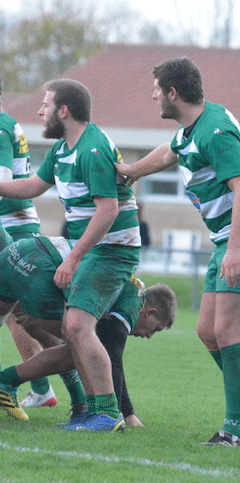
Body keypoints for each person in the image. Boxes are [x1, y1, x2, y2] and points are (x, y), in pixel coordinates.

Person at [116, 57, 240, 446]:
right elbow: (168, 153)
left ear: (173, 93)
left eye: (158, 89)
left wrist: (236, 249)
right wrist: (131, 171)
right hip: (227, 238)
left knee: (228, 330)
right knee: (207, 331)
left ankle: (234, 430)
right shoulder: (193, 127)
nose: (154, 95)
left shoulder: (215, 131)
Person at [0, 79, 141, 432]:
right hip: (94, 249)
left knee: (77, 326)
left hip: (112, 251)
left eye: (45, 105)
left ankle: (107, 414)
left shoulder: (92, 149)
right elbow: (32, 186)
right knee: (71, 327)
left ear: (64, 111)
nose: (39, 111)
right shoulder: (64, 149)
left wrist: (73, 257)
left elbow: (108, 211)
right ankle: (91, 408)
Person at [0, 236, 176, 426]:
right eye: (155, 329)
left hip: (17, 251)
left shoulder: (124, 286)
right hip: (40, 265)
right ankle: (87, 409)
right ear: (150, 313)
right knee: (80, 346)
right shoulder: (135, 299)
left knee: (78, 342)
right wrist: (128, 413)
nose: (149, 336)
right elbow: (114, 358)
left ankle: (78, 405)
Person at [0, 72, 59, 409]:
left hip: (12, 226)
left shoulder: (1, 128)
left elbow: (3, 179)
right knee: (19, 314)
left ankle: (45, 387)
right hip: (18, 224)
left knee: (21, 313)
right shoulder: (7, 124)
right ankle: (42, 388)